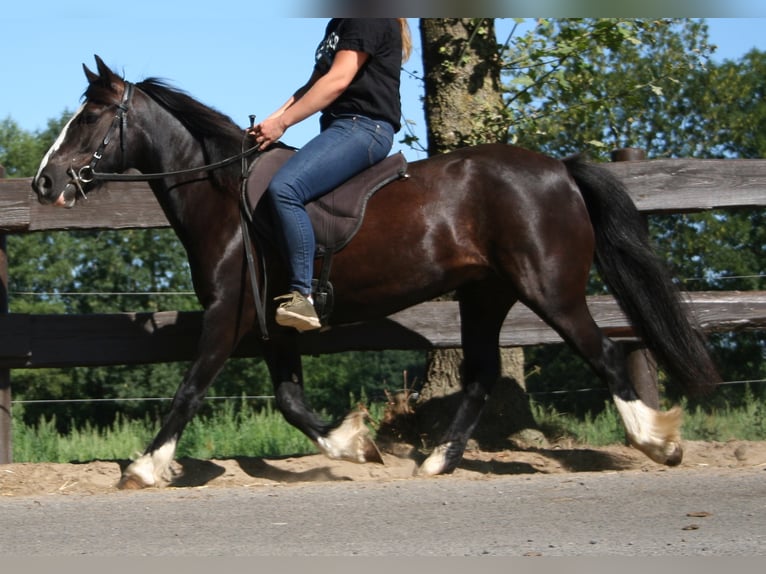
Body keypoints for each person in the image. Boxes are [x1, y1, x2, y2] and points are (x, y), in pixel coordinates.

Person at [247, 18, 412, 332]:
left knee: (285, 188)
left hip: (364, 127)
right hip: (342, 127)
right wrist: (272, 121)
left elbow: (338, 80)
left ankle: (303, 296)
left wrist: (283, 124)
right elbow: (312, 85)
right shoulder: (340, 22)